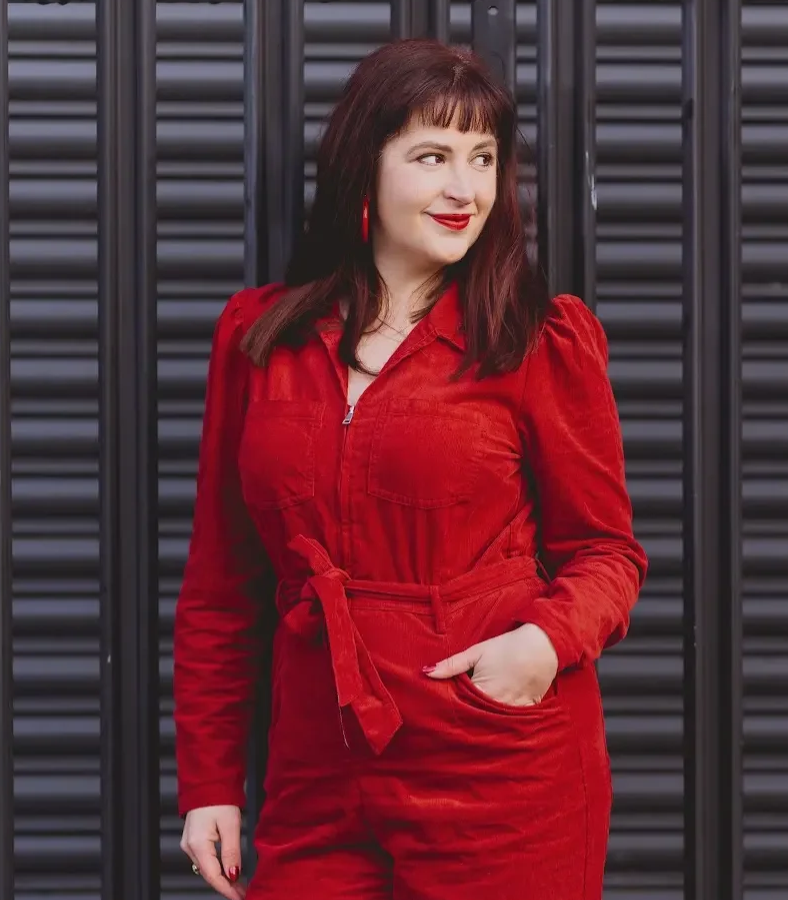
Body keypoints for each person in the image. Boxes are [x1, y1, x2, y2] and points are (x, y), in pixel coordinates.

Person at [171, 38, 647, 900]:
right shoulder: (259, 338)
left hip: (499, 761)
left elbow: (607, 555)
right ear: (366, 167)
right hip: (317, 763)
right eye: (432, 156)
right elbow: (220, 585)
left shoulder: (539, 341)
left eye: (483, 159)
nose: (464, 189)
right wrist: (209, 781)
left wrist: (541, 647)